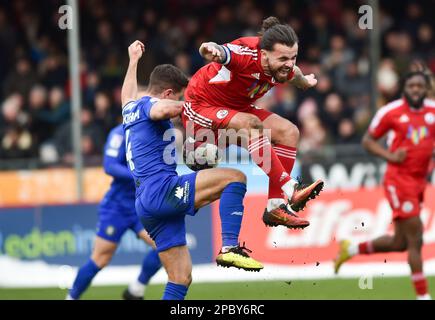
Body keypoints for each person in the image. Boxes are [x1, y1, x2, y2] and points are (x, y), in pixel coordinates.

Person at [121, 40, 263, 300]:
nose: (181, 105)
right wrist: (196, 108)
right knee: (235, 177)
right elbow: (161, 109)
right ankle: (230, 246)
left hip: (145, 202)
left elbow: (127, 94)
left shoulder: (130, 108)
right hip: (161, 190)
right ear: (167, 93)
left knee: (181, 277)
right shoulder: (152, 106)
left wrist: (133, 60)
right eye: (179, 96)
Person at [181, 16, 323, 230]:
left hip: (236, 110)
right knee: (251, 125)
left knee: (289, 132)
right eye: (284, 58)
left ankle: (275, 207)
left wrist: (305, 82)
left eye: (293, 57)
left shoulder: (283, 68)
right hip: (201, 107)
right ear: (264, 54)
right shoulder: (245, 54)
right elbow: (222, 51)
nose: (289, 63)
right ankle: (290, 186)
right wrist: (210, 49)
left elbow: (296, 74)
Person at [334, 70, 434, 300]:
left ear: (426, 89)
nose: (416, 90)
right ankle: (423, 296)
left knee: (400, 243)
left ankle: (350, 249)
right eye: (411, 86)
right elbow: (368, 141)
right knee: (415, 237)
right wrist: (390, 155)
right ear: (404, 89)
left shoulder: (432, 112)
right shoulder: (391, 112)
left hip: (419, 181)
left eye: (420, 86)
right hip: (399, 180)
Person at [66, 124, 161, 300]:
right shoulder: (119, 133)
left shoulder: (157, 131)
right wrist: (139, 176)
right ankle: (71, 298)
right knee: (100, 259)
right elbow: (109, 166)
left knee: (166, 245)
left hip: (143, 206)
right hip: (117, 207)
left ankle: (136, 290)